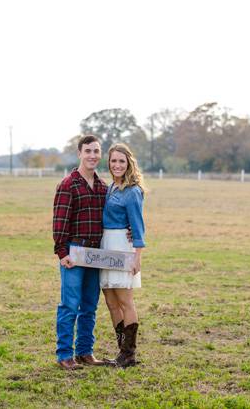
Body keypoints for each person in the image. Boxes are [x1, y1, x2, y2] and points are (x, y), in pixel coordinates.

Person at [52, 135, 111, 370]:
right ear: (79, 153)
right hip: (74, 251)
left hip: (96, 252)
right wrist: (61, 252)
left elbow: (110, 219)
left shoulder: (102, 186)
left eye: (96, 151)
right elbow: (60, 222)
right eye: (88, 151)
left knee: (89, 305)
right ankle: (65, 355)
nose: (92, 155)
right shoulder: (68, 184)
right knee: (69, 305)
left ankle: (85, 352)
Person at [100, 143, 146, 368]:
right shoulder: (111, 187)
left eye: (121, 161)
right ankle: (121, 352)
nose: (117, 165)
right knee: (110, 301)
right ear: (108, 163)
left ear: (128, 163)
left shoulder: (132, 190)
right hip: (105, 245)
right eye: (113, 161)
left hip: (122, 246)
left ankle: (130, 353)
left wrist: (137, 256)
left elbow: (138, 226)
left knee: (125, 300)